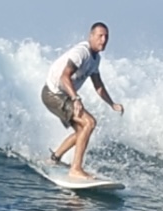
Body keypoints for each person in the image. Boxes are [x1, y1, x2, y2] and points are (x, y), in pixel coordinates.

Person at [41, 22, 124, 179]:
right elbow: (64, 76)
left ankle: (54, 158)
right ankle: (76, 169)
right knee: (89, 123)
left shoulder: (95, 59)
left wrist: (112, 104)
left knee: (82, 130)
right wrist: (76, 98)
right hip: (52, 94)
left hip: (62, 95)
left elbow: (98, 85)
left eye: (107, 36)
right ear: (91, 36)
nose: (104, 39)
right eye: (100, 36)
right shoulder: (82, 52)